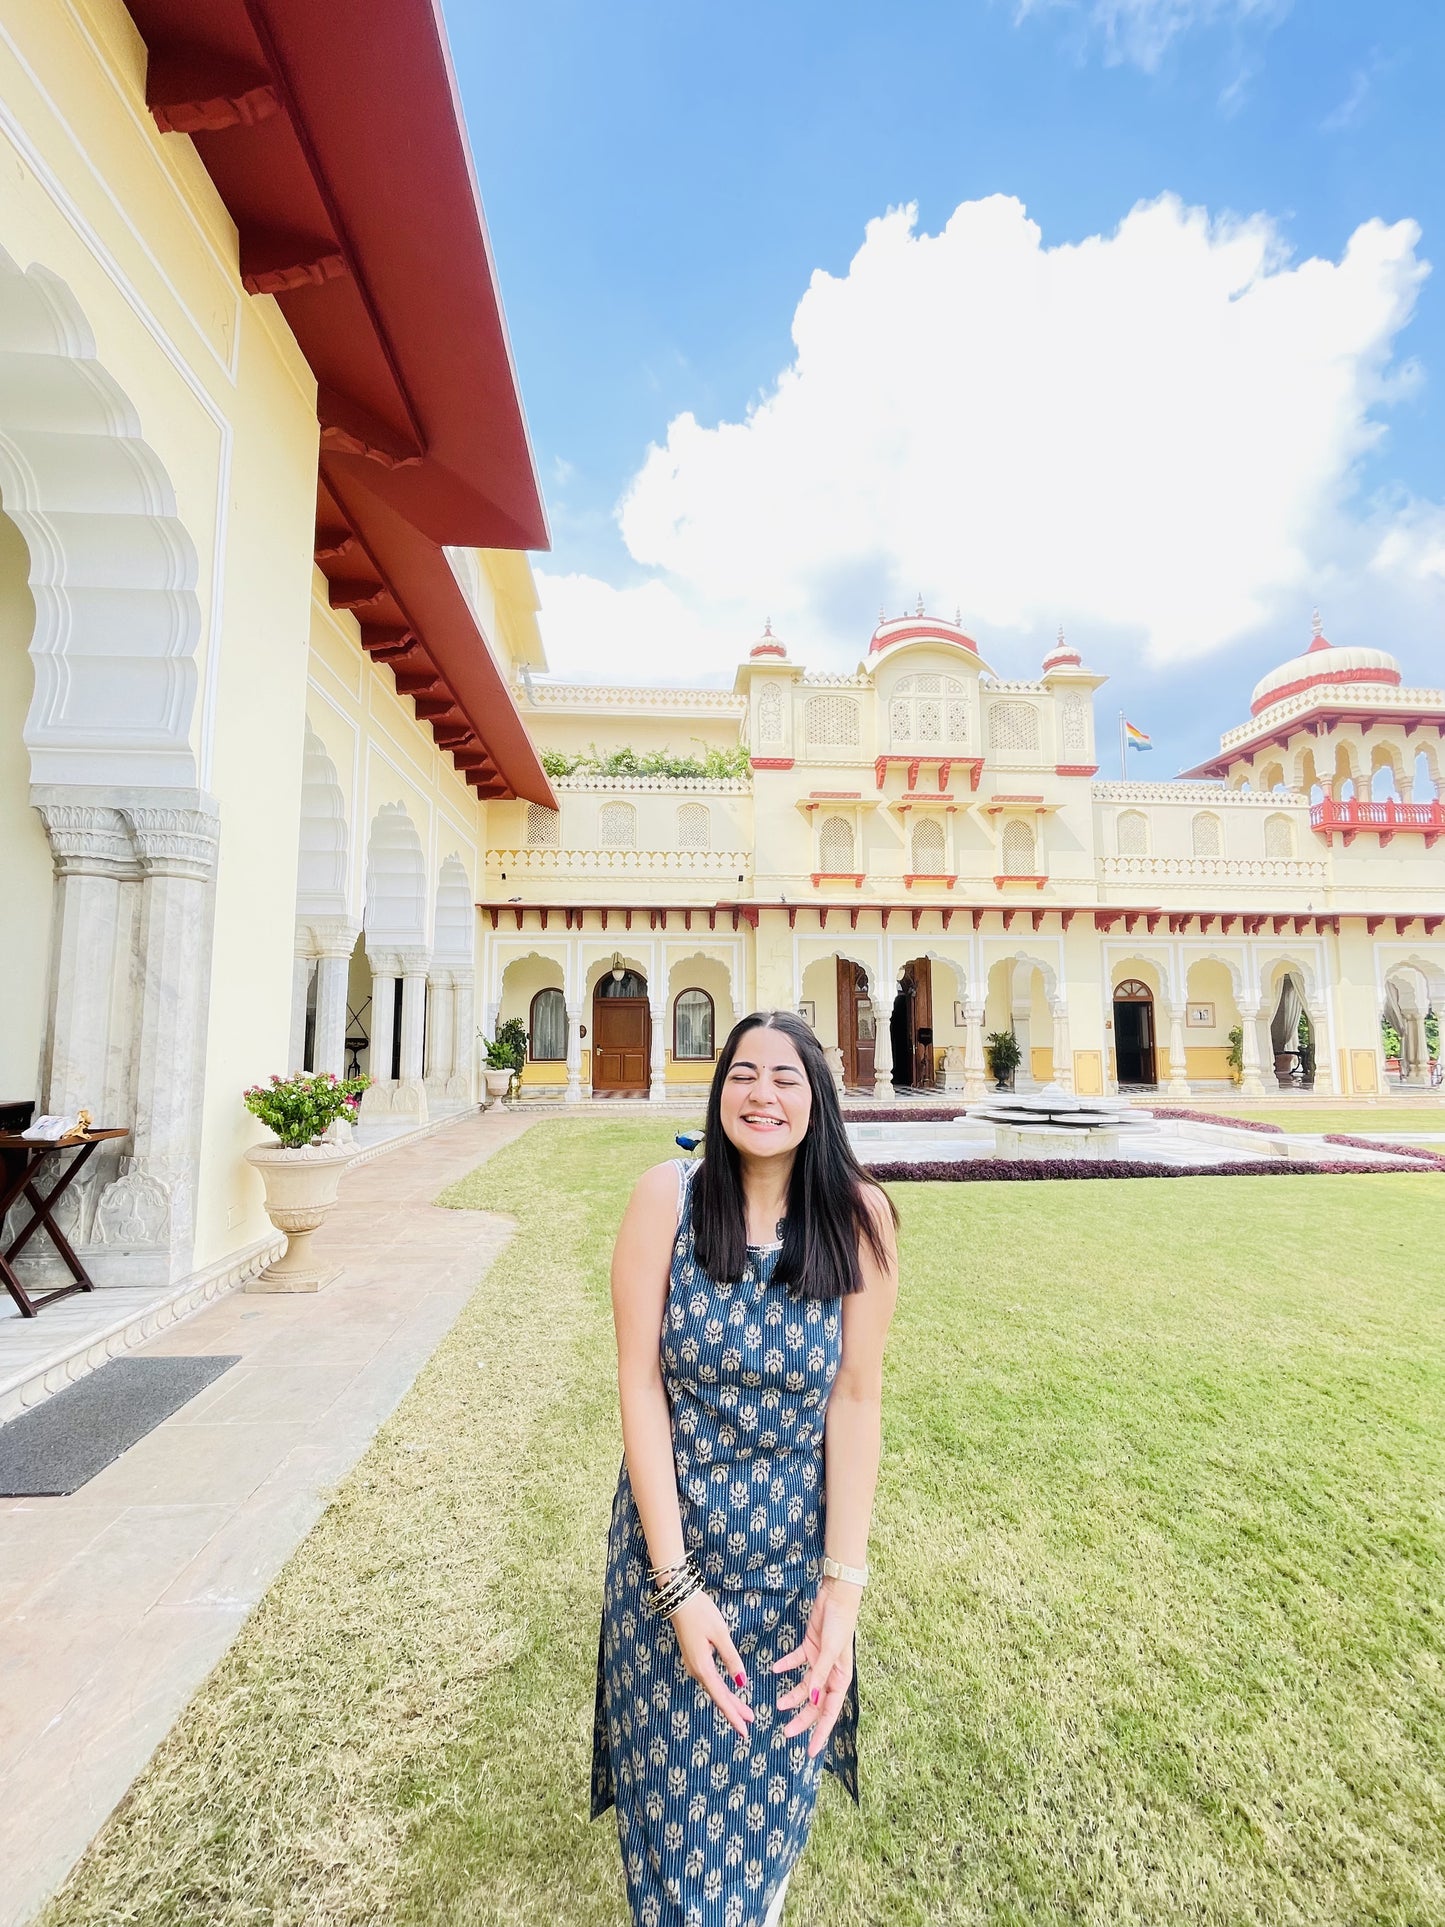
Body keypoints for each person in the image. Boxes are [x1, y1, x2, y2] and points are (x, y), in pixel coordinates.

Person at [592, 1010, 900, 1927]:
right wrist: (676, 1589)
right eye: (742, 1073)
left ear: (818, 1101)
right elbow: (638, 1382)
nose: (761, 1093)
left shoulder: (857, 1220)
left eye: (786, 1078)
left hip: (787, 1579)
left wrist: (840, 1596)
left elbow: (855, 1402)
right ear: (718, 1086)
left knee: (764, 1828)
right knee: (679, 1854)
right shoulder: (668, 1199)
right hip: (670, 1556)